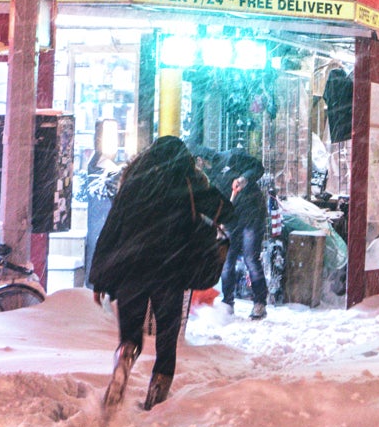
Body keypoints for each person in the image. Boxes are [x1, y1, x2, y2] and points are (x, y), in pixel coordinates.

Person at [85, 136, 230, 411]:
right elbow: (225, 211)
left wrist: (99, 277)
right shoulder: (187, 182)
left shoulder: (133, 182)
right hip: (169, 269)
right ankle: (156, 397)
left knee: (130, 333)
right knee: (167, 336)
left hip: (131, 268)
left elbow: (112, 227)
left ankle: (125, 357)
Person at [221, 152, 270, 319]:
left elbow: (258, 167)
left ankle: (260, 303)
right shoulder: (206, 178)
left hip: (252, 215)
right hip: (230, 219)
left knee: (251, 258)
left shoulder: (231, 157)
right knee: (227, 261)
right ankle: (227, 303)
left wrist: (244, 178)